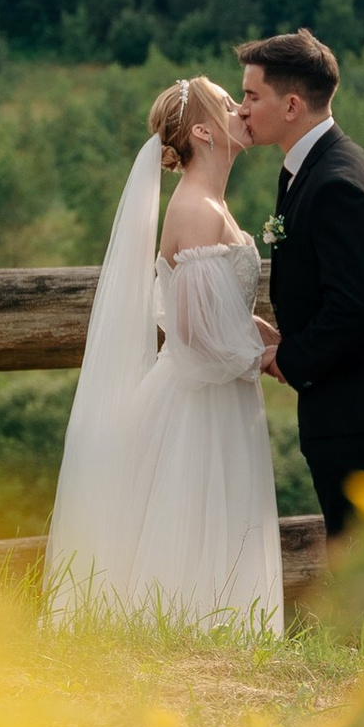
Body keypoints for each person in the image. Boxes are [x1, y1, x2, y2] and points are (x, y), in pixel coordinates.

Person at [44, 75, 284, 633]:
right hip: (199, 402)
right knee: (195, 520)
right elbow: (195, 336)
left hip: (218, 393)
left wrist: (248, 325)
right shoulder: (198, 209)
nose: (243, 111)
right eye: (230, 104)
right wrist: (262, 356)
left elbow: (201, 306)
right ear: (202, 130)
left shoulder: (211, 204)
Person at [238, 26, 364, 535]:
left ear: (290, 106)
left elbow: (353, 304)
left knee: (359, 556)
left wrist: (290, 359)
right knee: (355, 552)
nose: (241, 108)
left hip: (361, 404)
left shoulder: (336, 182)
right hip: (352, 398)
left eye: (250, 95)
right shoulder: (314, 165)